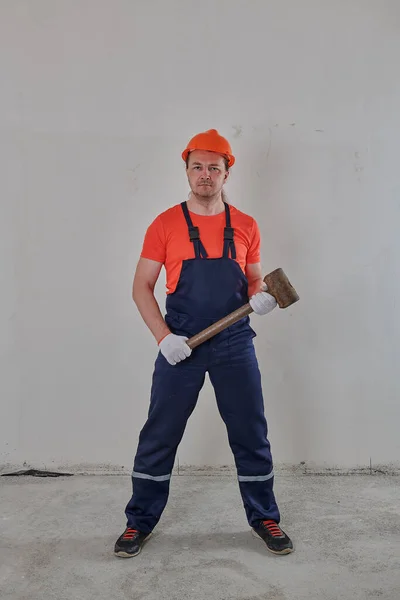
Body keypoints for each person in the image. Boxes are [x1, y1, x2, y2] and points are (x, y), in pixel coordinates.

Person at [114, 129, 293, 558]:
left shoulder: (247, 225)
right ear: (187, 171)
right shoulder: (165, 224)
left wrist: (261, 298)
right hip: (182, 345)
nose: (205, 175)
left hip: (234, 344)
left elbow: (254, 279)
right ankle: (138, 521)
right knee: (160, 434)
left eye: (214, 167)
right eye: (198, 167)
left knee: (251, 432)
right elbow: (141, 286)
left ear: (227, 172)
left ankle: (264, 516)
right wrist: (164, 339)